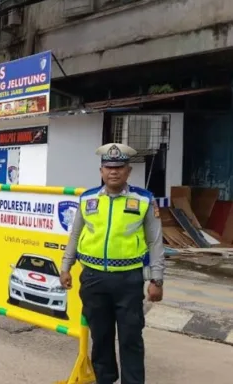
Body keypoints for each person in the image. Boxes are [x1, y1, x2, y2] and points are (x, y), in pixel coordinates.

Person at [60, 143, 164, 384]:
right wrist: (66, 266)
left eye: (119, 167)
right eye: (108, 167)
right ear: (101, 171)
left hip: (129, 280)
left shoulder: (144, 200)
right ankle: (104, 379)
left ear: (128, 171)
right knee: (101, 337)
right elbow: (75, 235)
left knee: (131, 338)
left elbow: (155, 241)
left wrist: (156, 279)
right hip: (93, 278)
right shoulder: (87, 199)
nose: (113, 171)